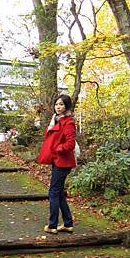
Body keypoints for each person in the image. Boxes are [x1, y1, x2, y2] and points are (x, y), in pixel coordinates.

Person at [37, 94, 76, 234]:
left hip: (63, 162)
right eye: (56, 104)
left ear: (67, 106)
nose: (58, 107)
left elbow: (70, 143)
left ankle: (52, 225)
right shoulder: (57, 120)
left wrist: (58, 149)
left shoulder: (68, 122)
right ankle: (68, 223)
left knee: (53, 192)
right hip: (57, 160)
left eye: (61, 105)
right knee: (58, 193)